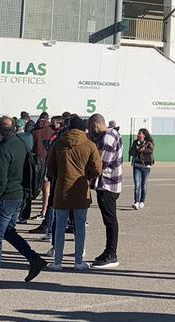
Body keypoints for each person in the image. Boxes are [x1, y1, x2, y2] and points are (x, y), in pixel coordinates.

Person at [0, 117, 47, 290]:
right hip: (18, 196)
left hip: (6, 198)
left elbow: (0, 179)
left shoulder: (3, 149)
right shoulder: (20, 144)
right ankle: (34, 259)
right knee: (8, 232)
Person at [47, 111, 102, 271]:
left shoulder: (58, 143)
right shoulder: (90, 145)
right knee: (80, 227)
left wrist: (60, 176)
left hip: (62, 190)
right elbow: (97, 168)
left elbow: (50, 168)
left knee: (60, 227)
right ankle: (78, 261)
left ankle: (57, 262)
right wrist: (86, 177)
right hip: (81, 190)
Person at [90, 114, 123, 269]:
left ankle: (111, 254)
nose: (91, 131)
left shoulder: (107, 139)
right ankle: (108, 251)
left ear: (96, 125)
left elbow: (100, 165)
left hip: (108, 185)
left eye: (91, 128)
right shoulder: (113, 133)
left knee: (110, 220)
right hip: (111, 183)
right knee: (109, 220)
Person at [130, 128, 155, 209]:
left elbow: (150, 151)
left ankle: (142, 201)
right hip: (137, 166)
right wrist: (137, 149)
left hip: (146, 167)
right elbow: (130, 152)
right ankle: (136, 202)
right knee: (137, 185)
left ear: (144, 135)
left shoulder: (149, 143)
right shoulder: (135, 142)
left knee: (143, 185)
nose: (138, 135)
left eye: (140, 133)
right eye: (138, 133)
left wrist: (141, 149)